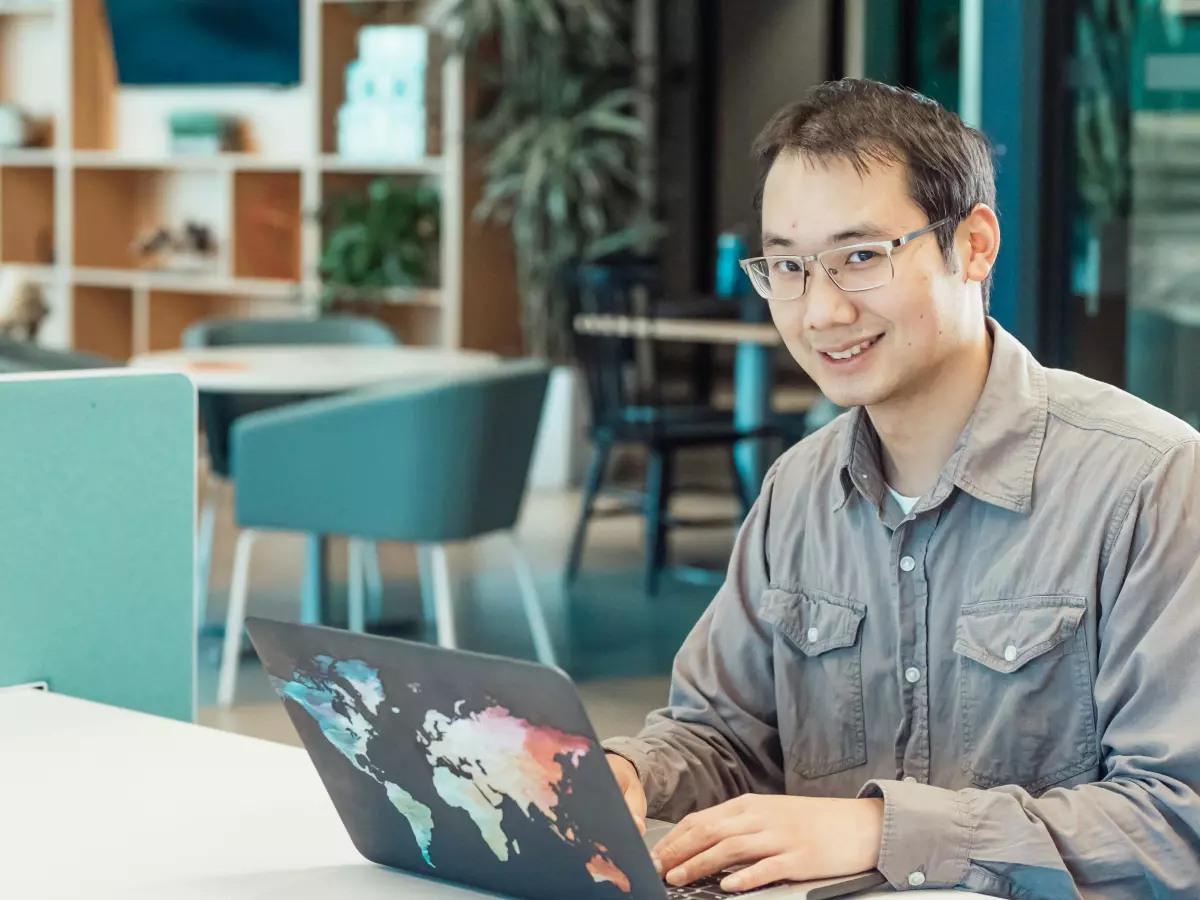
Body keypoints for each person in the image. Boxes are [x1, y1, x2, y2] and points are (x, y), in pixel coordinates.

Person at [602, 79, 1200, 899]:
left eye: (861, 256)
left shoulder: (1150, 480)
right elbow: (721, 735)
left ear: (975, 246)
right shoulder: (798, 489)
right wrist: (624, 775)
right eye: (787, 266)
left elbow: (1178, 822)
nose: (821, 312)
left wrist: (885, 831)